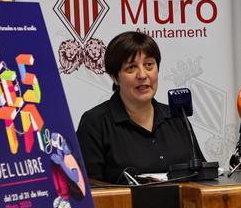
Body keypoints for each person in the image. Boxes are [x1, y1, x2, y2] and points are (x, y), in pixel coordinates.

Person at [77, 31, 203, 183]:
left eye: (149, 65)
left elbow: (203, 175)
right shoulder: (94, 123)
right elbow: (89, 190)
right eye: (131, 68)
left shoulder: (177, 116)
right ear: (114, 76)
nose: (142, 75)